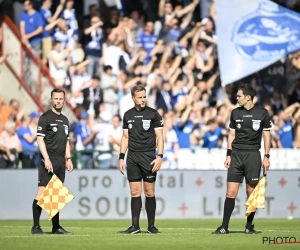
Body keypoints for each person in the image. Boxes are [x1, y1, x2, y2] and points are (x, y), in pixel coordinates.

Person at [212, 84, 272, 234]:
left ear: (248, 97)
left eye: (239, 96)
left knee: (251, 193)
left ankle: (249, 226)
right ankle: (224, 226)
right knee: (230, 193)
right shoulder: (235, 113)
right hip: (236, 155)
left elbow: (267, 136)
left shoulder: (262, 113)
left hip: (253, 155)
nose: (236, 98)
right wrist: (228, 155)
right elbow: (231, 135)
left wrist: (266, 157)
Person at [118, 85, 164, 234]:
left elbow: (160, 137)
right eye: (140, 97)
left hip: (149, 156)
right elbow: (125, 138)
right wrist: (121, 157)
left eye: (144, 97)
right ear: (133, 98)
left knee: (149, 192)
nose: (143, 100)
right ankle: (135, 226)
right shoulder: (127, 115)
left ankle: (151, 226)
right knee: (135, 192)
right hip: (132, 157)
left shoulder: (154, 114)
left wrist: (160, 157)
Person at [31, 88, 73, 234]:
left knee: (56, 194)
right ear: (51, 100)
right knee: (42, 193)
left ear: (64, 101)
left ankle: (56, 227)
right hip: (48, 160)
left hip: (60, 161)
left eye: (61, 99)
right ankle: (36, 226)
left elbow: (67, 141)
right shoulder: (45, 117)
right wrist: (46, 159)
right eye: (56, 99)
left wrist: (68, 158)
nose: (58, 101)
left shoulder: (65, 120)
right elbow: (40, 139)